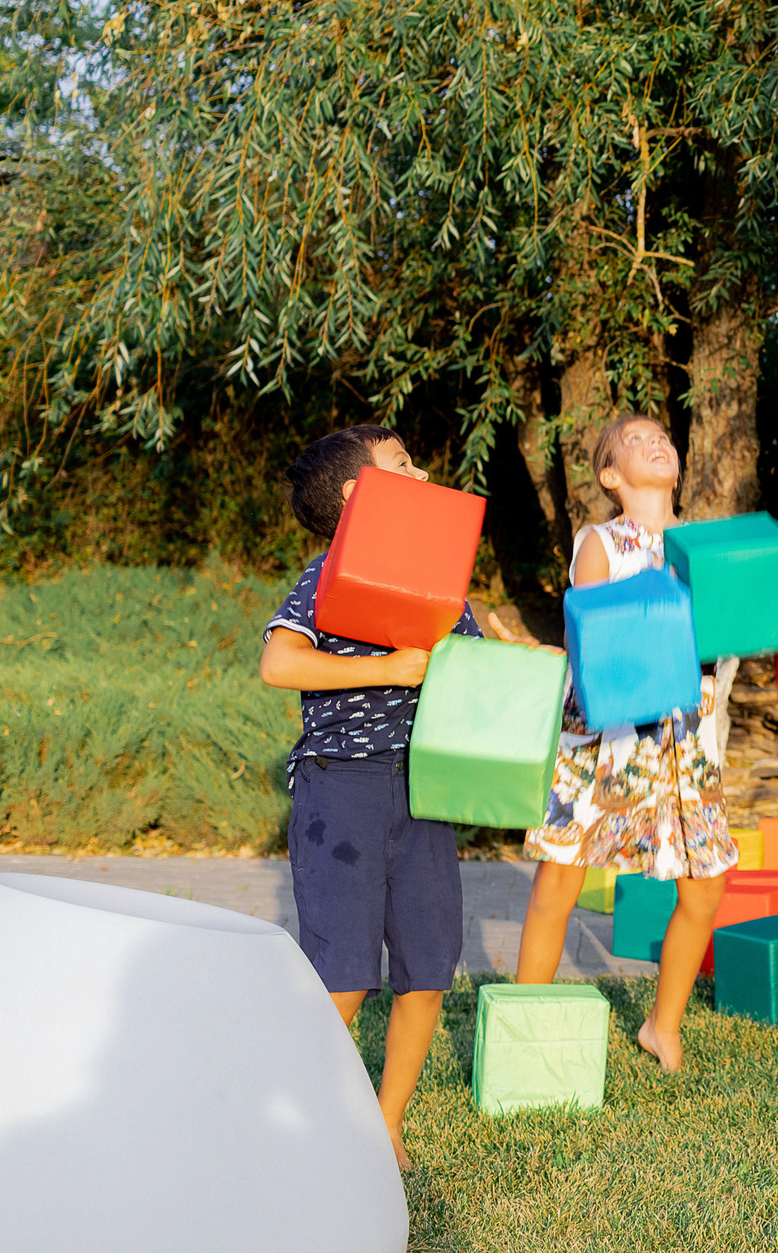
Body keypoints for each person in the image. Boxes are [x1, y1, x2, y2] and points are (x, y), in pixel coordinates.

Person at [260, 425, 484, 1171]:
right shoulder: (327, 574)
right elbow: (279, 663)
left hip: (424, 788)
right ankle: (290, 1112)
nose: (420, 472)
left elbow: (473, 669)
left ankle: (385, 1125)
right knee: (345, 971)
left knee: (428, 967)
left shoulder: (439, 582)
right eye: (402, 463)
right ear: (359, 493)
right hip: (340, 785)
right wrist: (388, 668)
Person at [514, 413, 740, 1074]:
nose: (656, 442)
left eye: (661, 436)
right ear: (611, 476)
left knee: (705, 888)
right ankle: (524, 1025)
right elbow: (591, 635)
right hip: (606, 737)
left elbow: (728, 637)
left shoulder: (702, 548)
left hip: (685, 741)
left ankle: (661, 1026)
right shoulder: (600, 543)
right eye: (635, 441)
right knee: (559, 876)